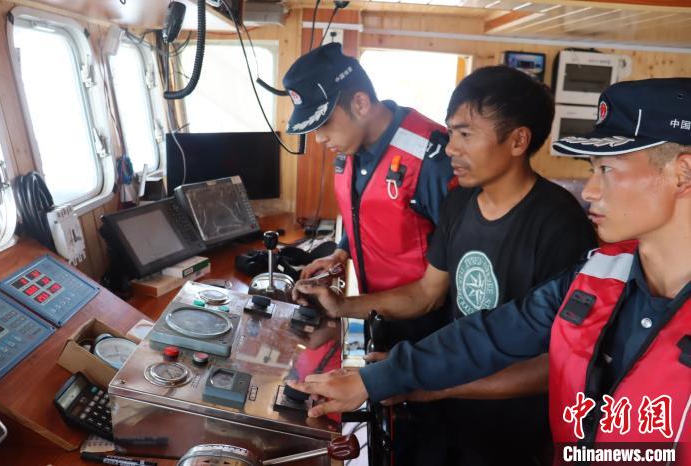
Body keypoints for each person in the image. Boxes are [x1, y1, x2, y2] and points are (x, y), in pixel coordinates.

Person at [290, 78, 691, 465]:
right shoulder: (602, 272)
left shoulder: (562, 226)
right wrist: (381, 377)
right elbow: (492, 334)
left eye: (608, 169)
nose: (589, 191)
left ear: (683, 172)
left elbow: (550, 365)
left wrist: (418, 383)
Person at [283, 42, 455, 346]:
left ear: (360, 104)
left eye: (324, 123)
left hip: (428, 335)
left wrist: (344, 306)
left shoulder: (433, 160)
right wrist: (340, 253)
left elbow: (456, 266)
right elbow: (367, 214)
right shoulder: (350, 147)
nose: (319, 138)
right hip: (376, 315)